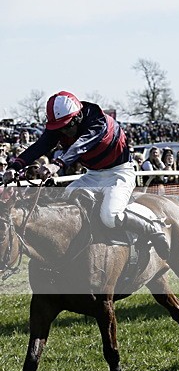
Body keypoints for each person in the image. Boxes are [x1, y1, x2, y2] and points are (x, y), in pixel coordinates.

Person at [2, 91, 169, 258]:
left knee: (109, 216)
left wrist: (57, 164)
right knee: (65, 203)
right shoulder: (63, 123)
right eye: (59, 128)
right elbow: (40, 145)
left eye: (67, 126)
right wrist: (15, 166)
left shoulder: (98, 122)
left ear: (78, 117)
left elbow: (80, 145)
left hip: (119, 173)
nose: (63, 131)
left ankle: (152, 229)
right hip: (93, 174)